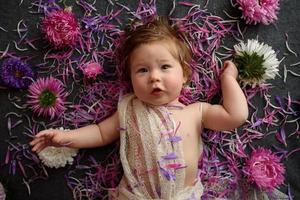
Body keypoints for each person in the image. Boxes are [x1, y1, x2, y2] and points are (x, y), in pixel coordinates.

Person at [30, 16, 248, 199]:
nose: (154, 77)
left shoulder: (197, 112)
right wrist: (66, 137)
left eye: (164, 67)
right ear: (131, 79)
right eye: (142, 70)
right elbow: (99, 132)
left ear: (184, 75)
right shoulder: (130, 110)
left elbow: (235, 116)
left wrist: (228, 79)